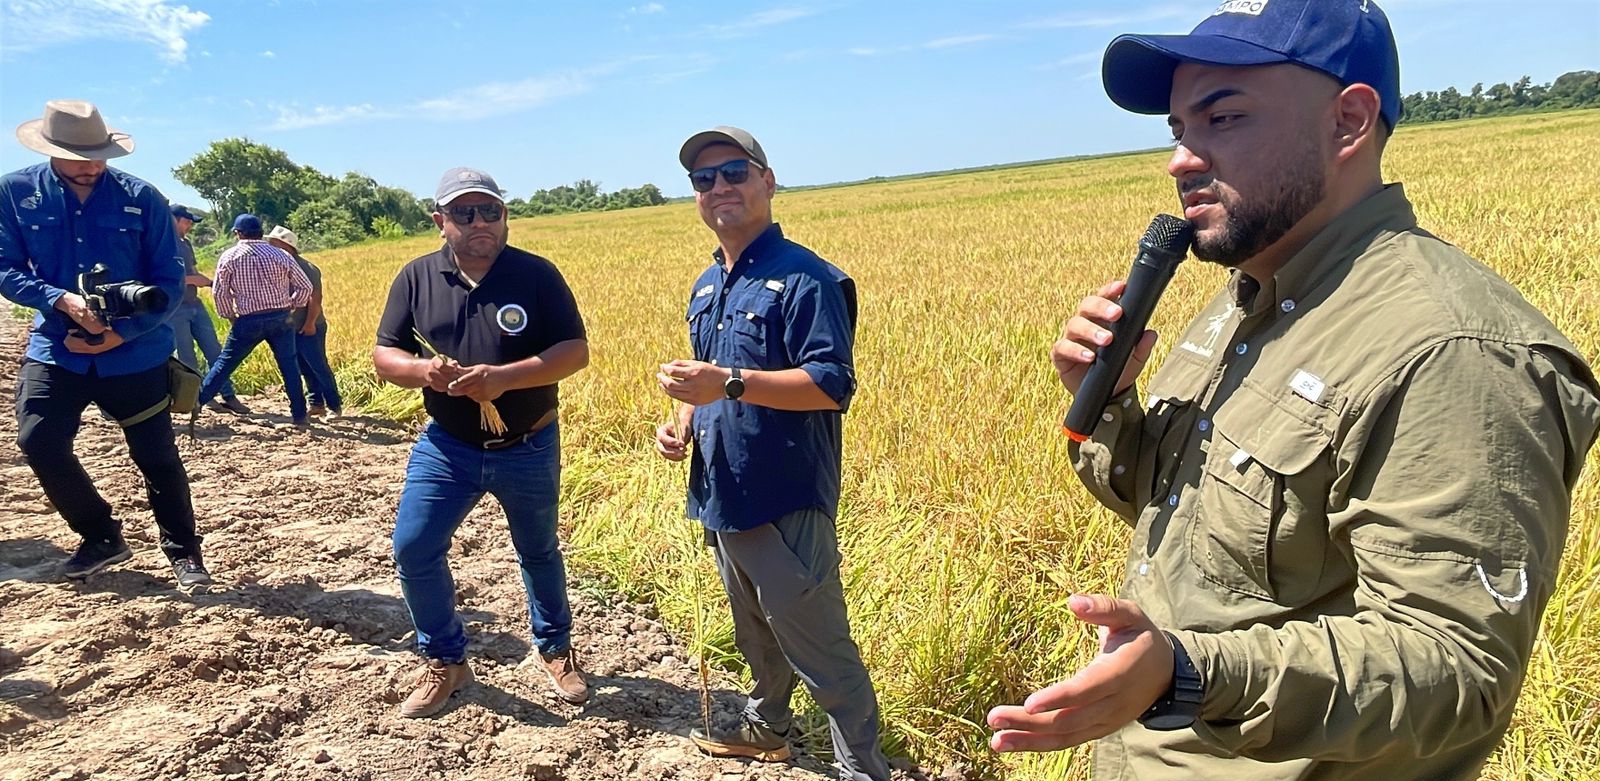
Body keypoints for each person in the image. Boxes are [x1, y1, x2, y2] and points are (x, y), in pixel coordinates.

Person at [987, 2, 1600, 779]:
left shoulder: (1455, 351)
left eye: (1224, 116)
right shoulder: (1247, 299)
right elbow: (1191, 517)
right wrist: (1107, 404)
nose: (1182, 158)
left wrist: (1187, 672)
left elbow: (1455, 667)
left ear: (1348, 121)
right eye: (1179, 129)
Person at [653, 127, 892, 781]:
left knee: (820, 646)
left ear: (767, 180)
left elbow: (831, 384)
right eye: (705, 179)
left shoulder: (808, 279)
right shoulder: (709, 284)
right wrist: (680, 422)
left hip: (786, 498)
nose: (719, 187)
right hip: (722, 494)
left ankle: (862, 767)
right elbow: (705, 375)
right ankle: (768, 728)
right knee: (755, 631)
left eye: (734, 171)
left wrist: (727, 384)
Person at [372, 167, 591, 718]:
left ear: (504, 216)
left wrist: (503, 379)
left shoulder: (537, 275)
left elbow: (574, 351)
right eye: (464, 214)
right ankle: (445, 661)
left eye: (489, 211)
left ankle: (556, 651)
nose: (479, 223)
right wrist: (425, 372)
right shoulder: (417, 277)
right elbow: (385, 355)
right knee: (414, 549)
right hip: (448, 447)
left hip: (530, 444)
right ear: (440, 221)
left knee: (539, 551)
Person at [0, 99, 211, 588]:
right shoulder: (14, 193)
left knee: (156, 456)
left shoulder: (143, 197)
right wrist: (59, 300)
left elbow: (169, 278)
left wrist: (119, 332)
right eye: (79, 155)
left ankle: (184, 554)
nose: (93, 164)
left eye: (100, 154)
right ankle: (99, 534)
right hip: (57, 345)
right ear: (51, 150)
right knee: (39, 442)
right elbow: (5, 268)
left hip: (136, 351)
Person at [196, 214, 312, 426]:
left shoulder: (229, 257)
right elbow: (305, 286)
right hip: (280, 316)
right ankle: (299, 414)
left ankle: (197, 404)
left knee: (225, 363)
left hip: (248, 320)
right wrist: (293, 305)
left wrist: (229, 316)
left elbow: (220, 293)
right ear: (261, 232)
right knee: (289, 366)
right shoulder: (280, 255)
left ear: (238, 233)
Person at [169, 204, 249, 415]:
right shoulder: (162, 244)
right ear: (174, 219)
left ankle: (227, 395)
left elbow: (192, 270)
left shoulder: (185, 244)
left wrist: (208, 282)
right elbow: (162, 279)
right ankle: (195, 398)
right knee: (187, 357)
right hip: (175, 308)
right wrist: (196, 280)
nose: (189, 227)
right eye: (187, 222)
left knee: (215, 351)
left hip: (194, 304)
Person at [267, 225, 342, 419]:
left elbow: (314, 299)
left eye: (274, 243)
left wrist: (309, 323)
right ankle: (316, 403)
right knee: (303, 366)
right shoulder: (279, 266)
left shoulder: (307, 268)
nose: (270, 247)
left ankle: (334, 405)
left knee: (318, 365)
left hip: (311, 326)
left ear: (286, 246)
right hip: (291, 327)